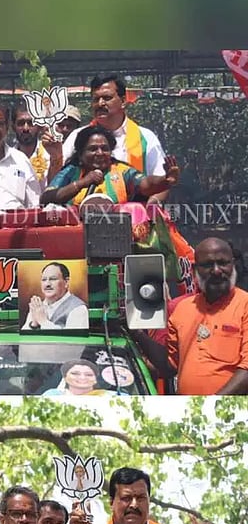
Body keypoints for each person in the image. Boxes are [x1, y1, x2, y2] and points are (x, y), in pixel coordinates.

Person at [167, 237, 248, 395]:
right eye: (208, 265)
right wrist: (136, 333)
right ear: (195, 269)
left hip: (232, 415)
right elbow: (169, 366)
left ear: (233, 265)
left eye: (223, 263)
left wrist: (211, 406)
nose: (217, 271)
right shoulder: (182, 309)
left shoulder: (245, 305)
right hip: (190, 415)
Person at [41, 124, 179, 208]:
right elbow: (46, 198)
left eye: (105, 148)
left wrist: (165, 181)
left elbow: (145, 184)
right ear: (81, 153)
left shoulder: (121, 170)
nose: (100, 153)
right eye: (93, 149)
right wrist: (83, 183)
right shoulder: (72, 171)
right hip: (74, 237)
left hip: (117, 237)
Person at [63, 74, 167, 179]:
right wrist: (55, 157)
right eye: (96, 99)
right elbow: (57, 180)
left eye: (107, 98)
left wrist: (153, 196)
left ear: (123, 101)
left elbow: (161, 180)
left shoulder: (146, 138)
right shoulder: (77, 136)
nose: (100, 103)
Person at [11, 99, 63, 191]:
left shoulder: (50, 155)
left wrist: (55, 157)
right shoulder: (8, 158)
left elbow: (55, 188)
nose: (26, 128)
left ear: (39, 126)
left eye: (31, 123)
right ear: (13, 127)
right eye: (21, 123)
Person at [22, 261, 89, 331]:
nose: (47, 284)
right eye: (44, 280)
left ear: (66, 282)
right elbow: (23, 337)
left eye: (53, 279)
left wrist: (43, 321)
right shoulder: (37, 306)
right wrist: (34, 324)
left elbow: (74, 339)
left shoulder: (78, 308)